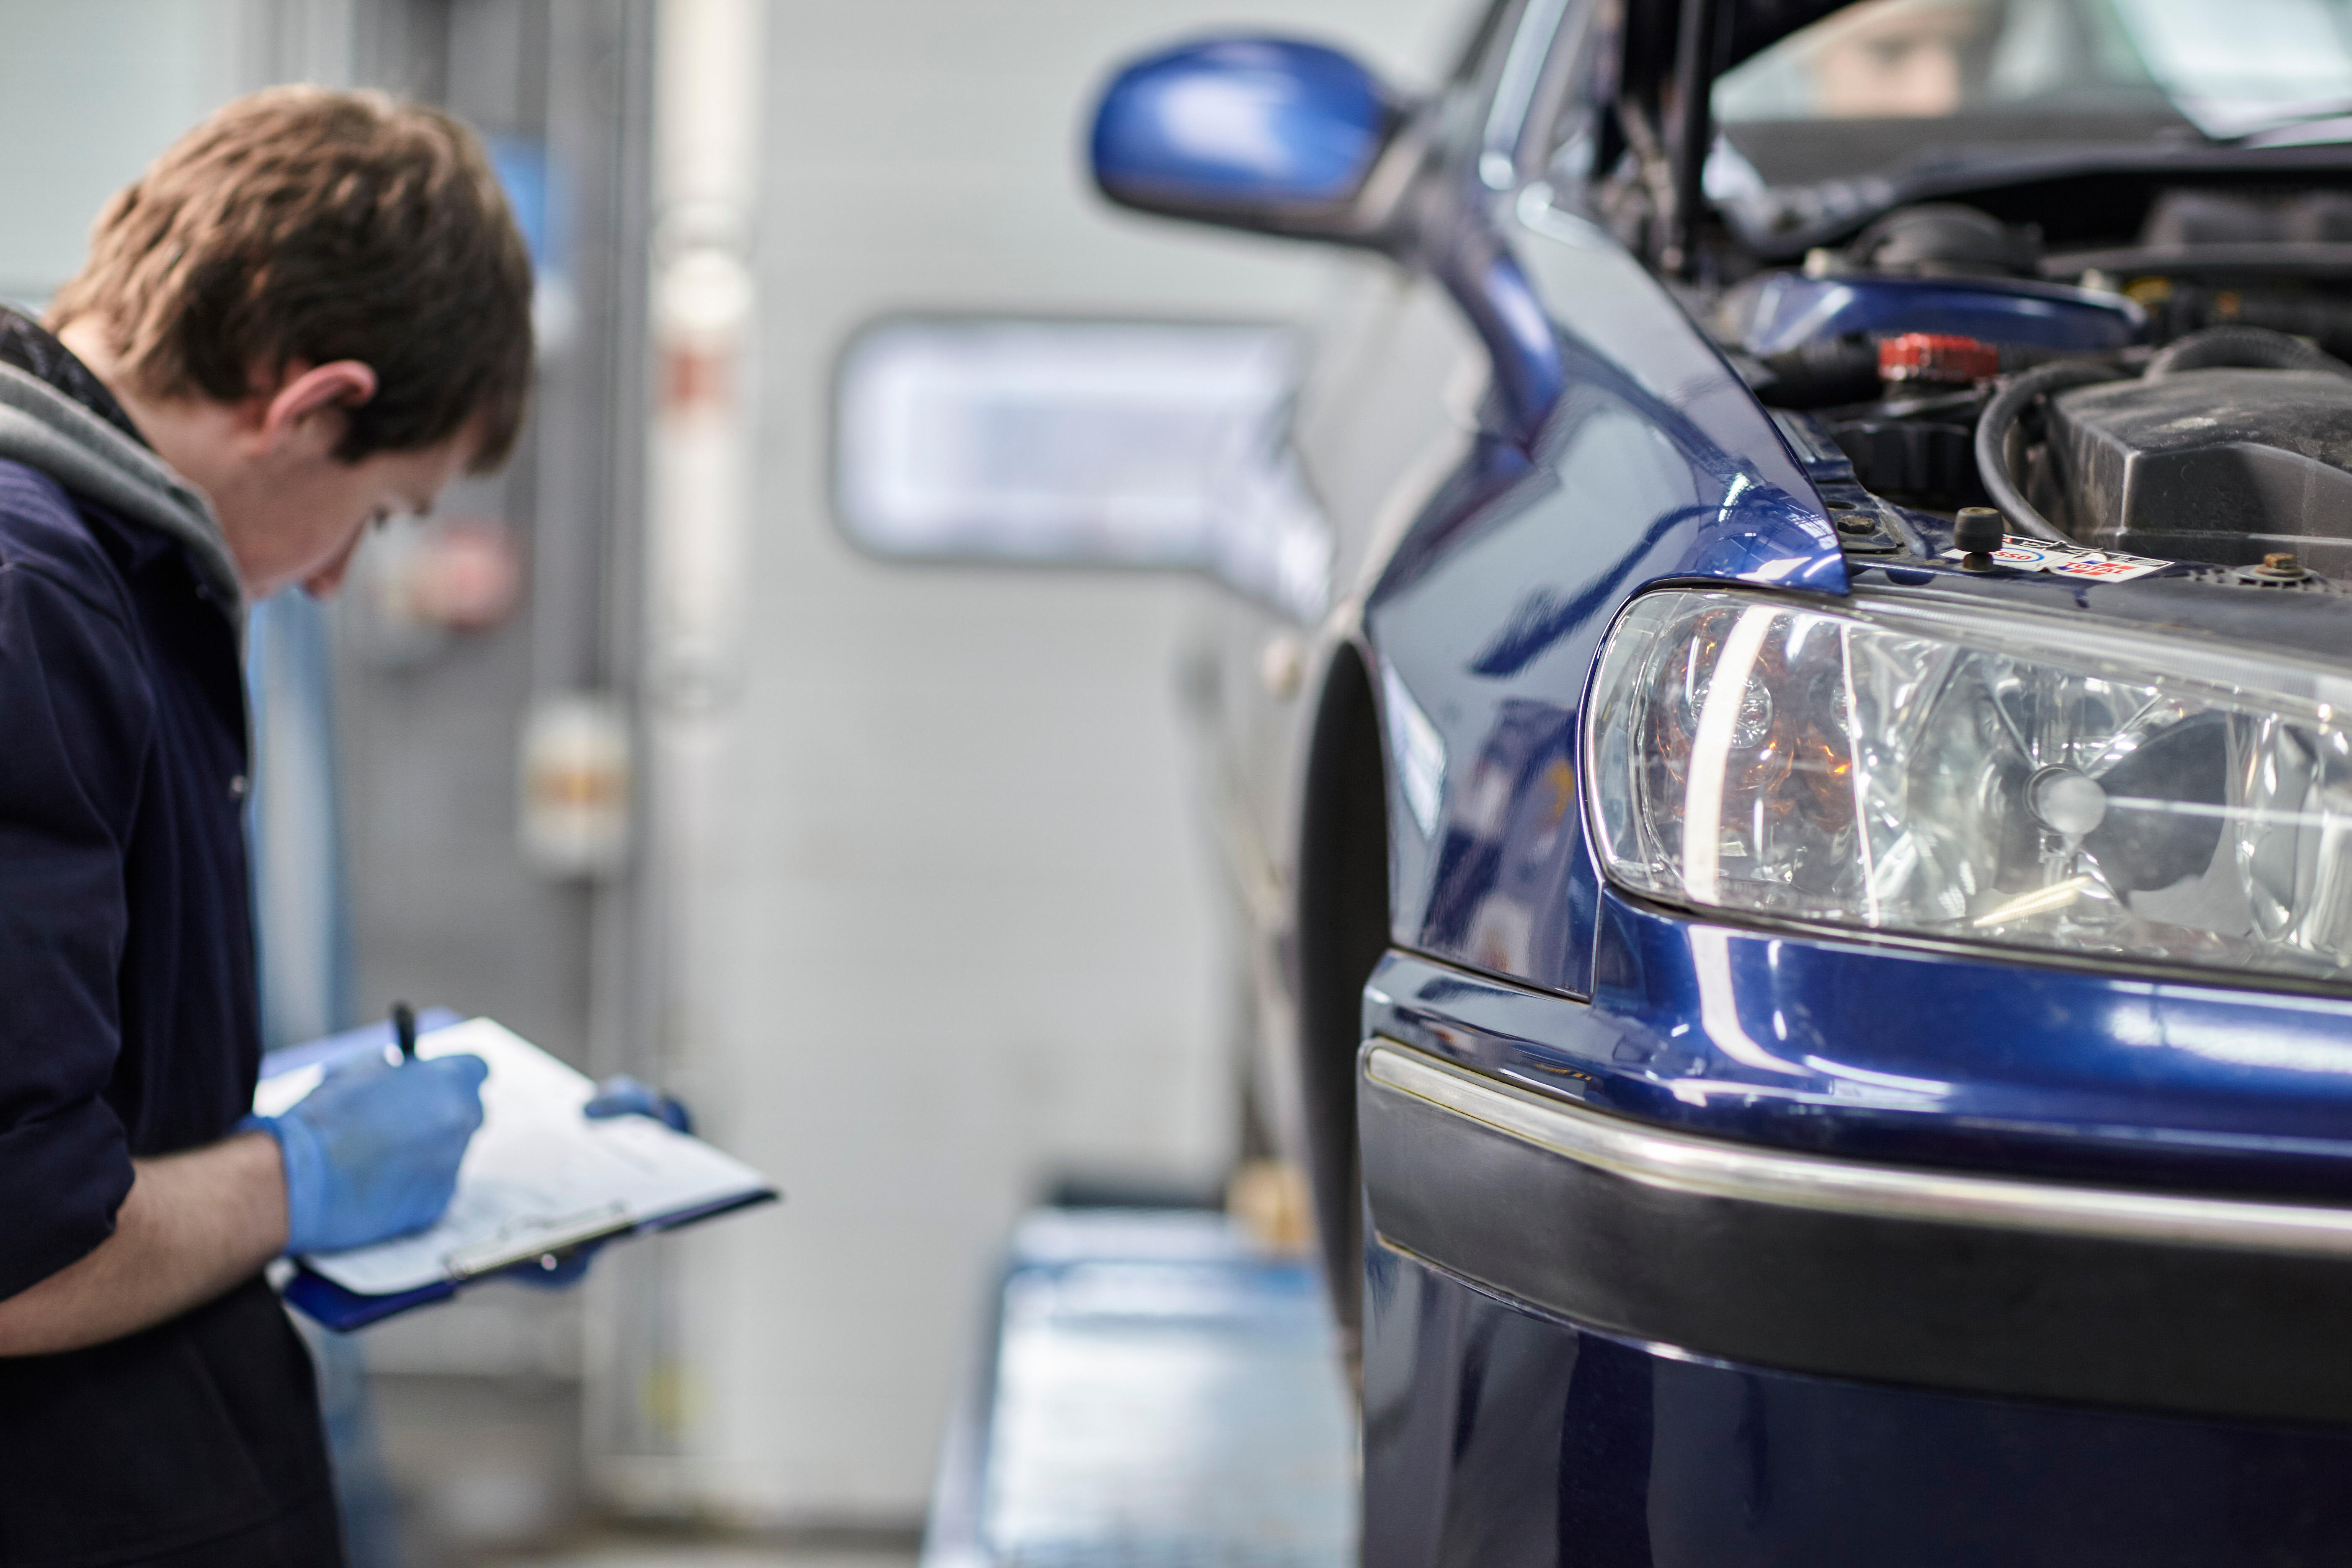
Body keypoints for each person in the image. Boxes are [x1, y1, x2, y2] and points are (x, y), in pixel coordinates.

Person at [0, 88, 534, 1565]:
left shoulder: (102, 570)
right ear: (310, 407)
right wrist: (303, 1177)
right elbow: (17, 1249)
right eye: (384, 511)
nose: (345, 577)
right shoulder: (31, 601)